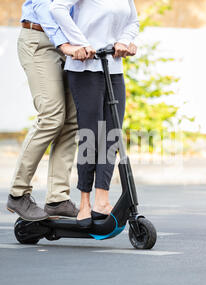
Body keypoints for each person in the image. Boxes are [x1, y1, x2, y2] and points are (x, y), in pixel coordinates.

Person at [51, 0, 139, 228]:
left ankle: (102, 199)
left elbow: (133, 21)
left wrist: (124, 41)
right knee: (91, 135)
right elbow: (57, 8)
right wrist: (80, 43)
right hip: (85, 68)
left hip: (113, 67)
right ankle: (84, 203)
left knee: (112, 135)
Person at [7, 0, 87, 221]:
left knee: (71, 121)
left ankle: (57, 199)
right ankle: (18, 193)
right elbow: (45, 7)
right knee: (51, 116)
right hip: (40, 40)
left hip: (70, 43)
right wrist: (64, 44)